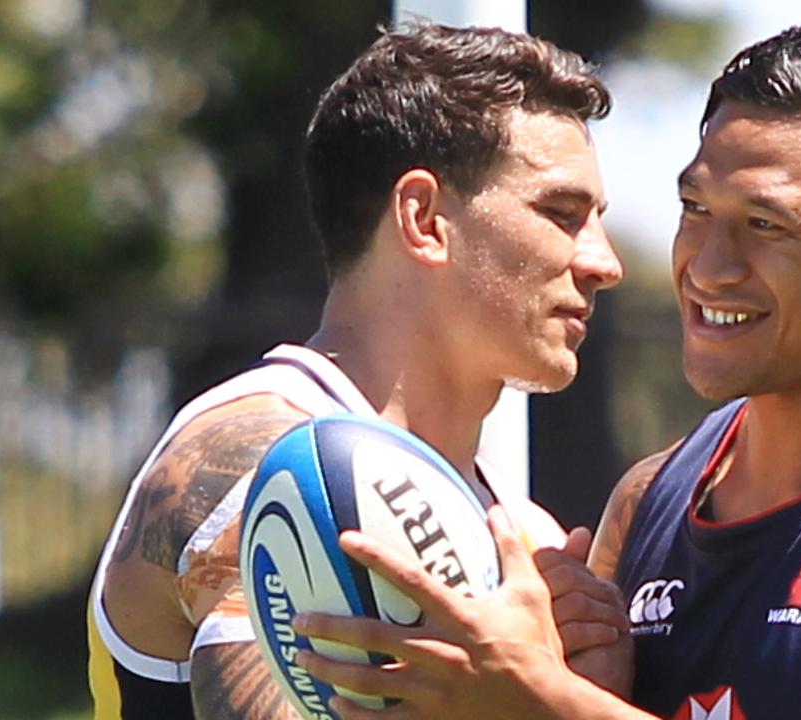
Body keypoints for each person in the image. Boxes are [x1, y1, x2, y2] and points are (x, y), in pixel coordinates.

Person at [294, 21, 801, 720]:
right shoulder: (649, 504)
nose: (709, 267)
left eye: (764, 225)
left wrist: (546, 700)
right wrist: (591, 679)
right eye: (695, 211)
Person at [86, 19, 630, 719]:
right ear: (423, 218)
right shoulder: (263, 466)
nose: (603, 262)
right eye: (561, 213)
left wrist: (589, 689)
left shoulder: (529, 542)